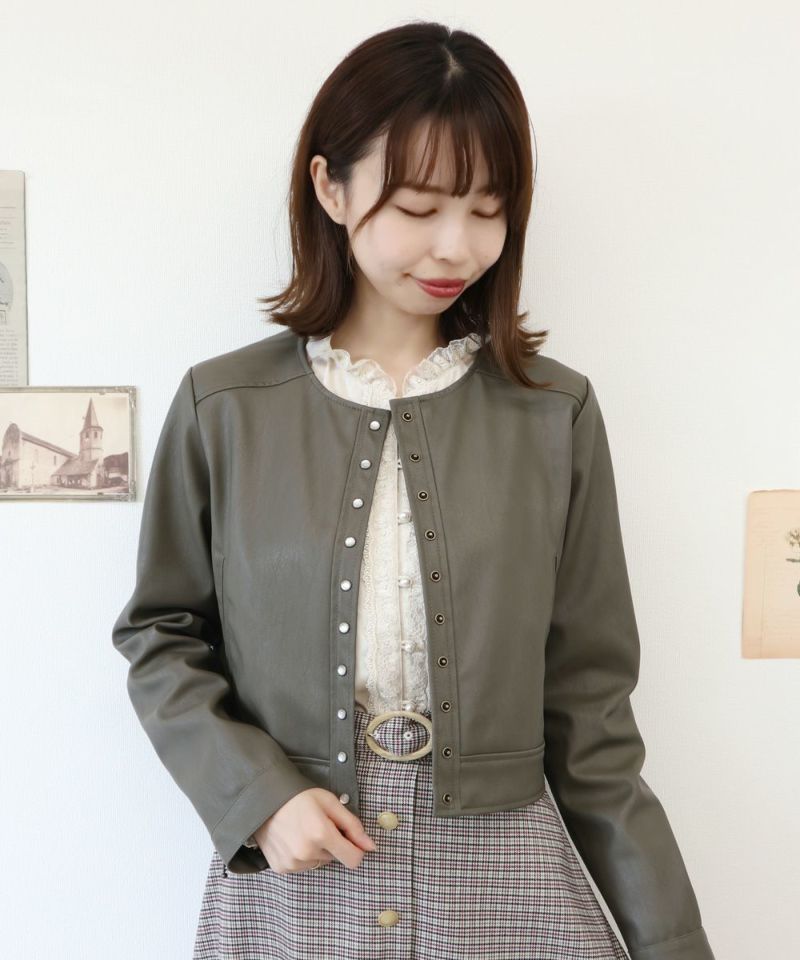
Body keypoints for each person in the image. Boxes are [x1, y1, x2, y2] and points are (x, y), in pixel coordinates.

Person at [112, 20, 715, 960]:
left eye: (487, 209)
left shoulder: (554, 414)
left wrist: (672, 942)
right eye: (419, 206)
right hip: (299, 872)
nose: (455, 247)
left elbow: (592, 714)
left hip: (508, 876)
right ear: (331, 187)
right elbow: (160, 634)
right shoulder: (222, 407)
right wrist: (255, 796)